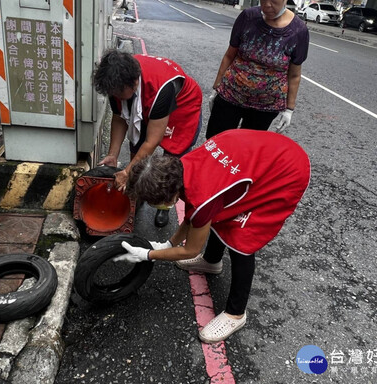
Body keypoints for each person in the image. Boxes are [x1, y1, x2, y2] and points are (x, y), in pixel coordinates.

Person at [116, 129, 310, 343]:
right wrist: (168, 244)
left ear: (170, 196)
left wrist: (149, 255)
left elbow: (191, 247)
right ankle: (211, 261)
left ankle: (236, 314)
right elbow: (194, 214)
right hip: (263, 155)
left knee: (242, 239)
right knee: (220, 213)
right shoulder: (180, 167)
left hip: (286, 171)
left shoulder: (203, 197)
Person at [93, 50, 203, 227]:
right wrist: (113, 155)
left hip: (182, 107)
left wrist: (127, 171)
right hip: (147, 100)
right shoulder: (118, 81)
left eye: (120, 94)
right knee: (136, 149)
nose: (117, 98)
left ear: (135, 83)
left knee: (171, 162)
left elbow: (152, 141)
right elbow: (120, 117)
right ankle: (138, 192)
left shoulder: (161, 89)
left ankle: (163, 204)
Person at [206, 0, 309, 139]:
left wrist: (289, 110)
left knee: (247, 150)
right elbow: (229, 55)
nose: (267, 5)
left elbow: (294, 75)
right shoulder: (248, 17)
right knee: (216, 142)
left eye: (273, 0)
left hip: (266, 106)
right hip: (231, 93)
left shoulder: (298, 31)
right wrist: (216, 88)